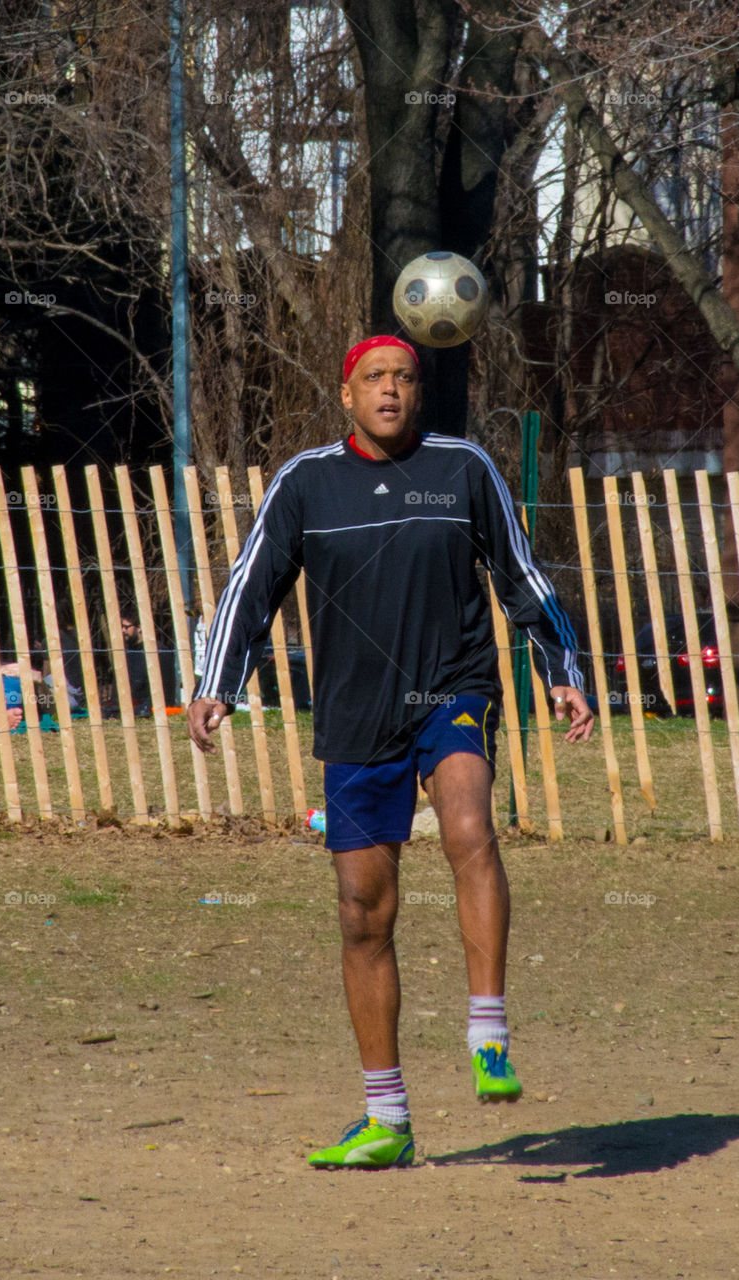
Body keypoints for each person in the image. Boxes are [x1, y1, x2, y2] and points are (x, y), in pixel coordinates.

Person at [188, 335, 594, 1170]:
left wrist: (562, 669)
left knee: (467, 828)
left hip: (452, 690)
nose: (391, 390)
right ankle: (386, 1118)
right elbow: (250, 584)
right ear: (346, 395)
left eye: (405, 378)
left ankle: (487, 1034)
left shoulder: (465, 468)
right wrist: (218, 680)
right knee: (361, 910)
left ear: (420, 392)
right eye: (375, 378)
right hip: (354, 715)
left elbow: (523, 575)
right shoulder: (306, 482)